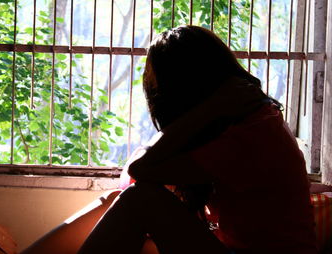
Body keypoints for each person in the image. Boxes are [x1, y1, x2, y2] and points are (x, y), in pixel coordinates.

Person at [21, 26, 317, 254]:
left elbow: (142, 170)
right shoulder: (245, 120)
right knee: (120, 201)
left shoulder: (251, 135)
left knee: (139, 200)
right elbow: (139, 172)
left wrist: (203, 112)